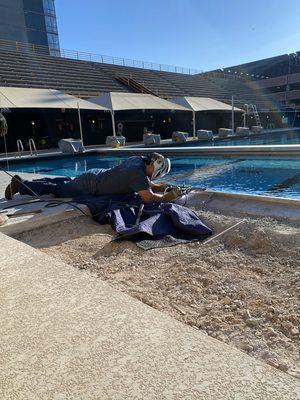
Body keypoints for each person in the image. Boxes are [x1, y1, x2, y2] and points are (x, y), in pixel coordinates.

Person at [5, 153, 182, 203]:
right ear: (155, 165)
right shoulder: (138, 175)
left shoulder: (137, 161)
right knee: (56, 191)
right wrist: (166, 197)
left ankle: (25, 182)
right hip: (90, 186)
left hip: (94, 175)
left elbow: (144, 182)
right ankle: (20, 184)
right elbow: (148, 197)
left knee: (65, 182)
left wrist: (159, 185)